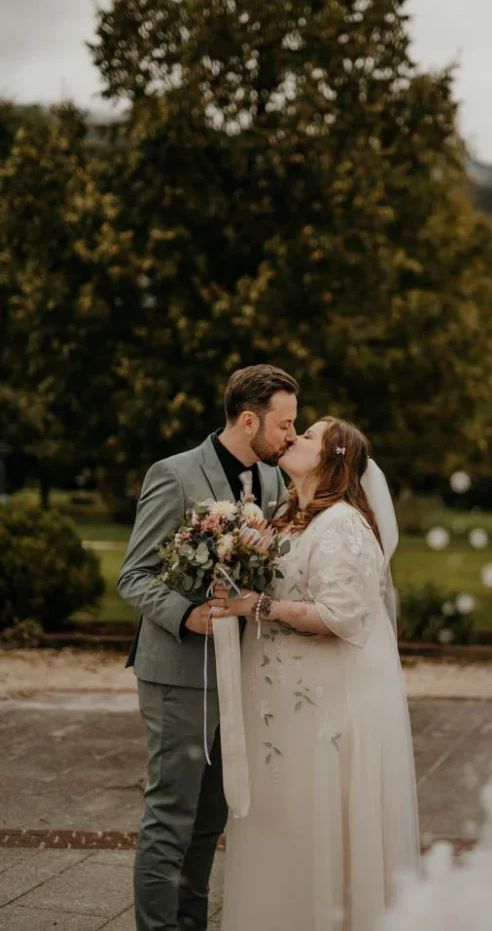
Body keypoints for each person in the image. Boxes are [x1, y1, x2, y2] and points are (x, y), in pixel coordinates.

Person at [212, 416, 420, 931]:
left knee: (314, 824)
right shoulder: (286, 516)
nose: (294, 437)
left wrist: (257, 606)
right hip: (279, 711)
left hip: (321, 712)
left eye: (308, 435)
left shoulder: (344, 525)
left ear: (332, 458)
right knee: (281, 824)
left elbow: (340, 616)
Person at [118, 364, 298, 931]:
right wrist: (187, 613)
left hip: (239, 672)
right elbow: (134, 575)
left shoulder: (271, 483)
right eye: (285, 425)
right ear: (250, 420)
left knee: (209, 820)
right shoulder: (172, 476)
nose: (292, 437)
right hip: (178, 674)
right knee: (171, 815)